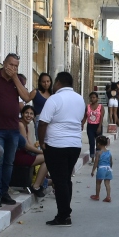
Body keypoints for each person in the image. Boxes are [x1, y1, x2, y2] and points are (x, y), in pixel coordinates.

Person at [0, 53, 33, 207]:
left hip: (13, 128)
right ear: (4, 63)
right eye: (10, 64)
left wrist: (15, 78)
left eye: (16, 66)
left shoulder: (19, 80)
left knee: (9, 162)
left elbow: (26, 97)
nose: (13, 68)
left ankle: (4, 193)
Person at [37, 71, 86, 227]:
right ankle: (65, 213)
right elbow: (81, 118)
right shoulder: (80, 99)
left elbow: (43, 122)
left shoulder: (54, 99)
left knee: (60, 181)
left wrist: (42, 141)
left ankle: (63, 216)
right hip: (75, 145)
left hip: (56, 145)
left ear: (58, 82)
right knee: (65, 179)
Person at [15, 105, 48, 198]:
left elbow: (30, 143)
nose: (28, 115)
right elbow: (26, 146)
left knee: (49, 158)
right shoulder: (20, 124)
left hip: (26, 153)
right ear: (22, 114)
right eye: (26, 113)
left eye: (31, 114)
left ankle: (39, 184)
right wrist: (43, 152)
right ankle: (36, 186)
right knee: (48, 158)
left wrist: (40, 150)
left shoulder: (27, 125)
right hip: (19, 155)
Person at [90, 134, 113, 202]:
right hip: (108, 169)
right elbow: (111, 162)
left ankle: (97, 196)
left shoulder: (98, 153)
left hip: (101, 169)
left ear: (99, 144)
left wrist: (93, 171)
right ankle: (108, 197)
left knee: (98, 183)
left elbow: (96, 162)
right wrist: (110, 168)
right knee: (107, 183)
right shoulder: (109, 152)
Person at [85, 91, 105, 160]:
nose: (92, 99)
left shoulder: (101, 107)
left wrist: (99, 127)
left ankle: (98, 157)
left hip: (98, 126)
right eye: (91, 98)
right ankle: (92, 158)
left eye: (94, 97)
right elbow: (85, 117)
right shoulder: (87, 107)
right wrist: (81, 125)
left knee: (98, 143)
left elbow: (101, 117)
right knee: (91, 142)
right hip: (90, 126)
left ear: (97, 98)